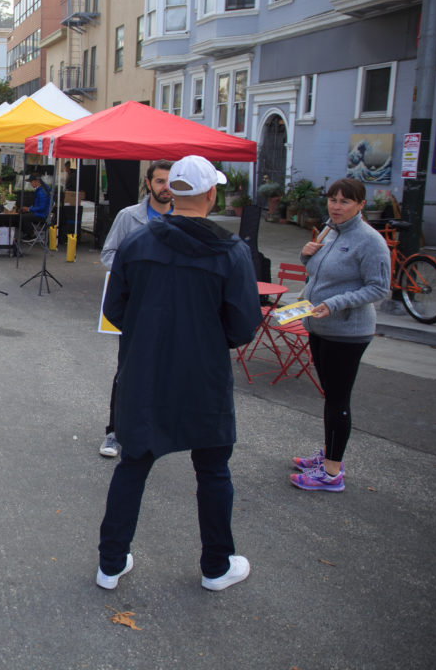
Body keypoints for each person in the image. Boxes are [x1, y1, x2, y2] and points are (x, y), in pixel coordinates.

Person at [97, 155, 261, 592]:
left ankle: (110, 564)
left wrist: (150, 331)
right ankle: (216, 565)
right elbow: (244, 325)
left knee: (133, 463)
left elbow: (115, 308)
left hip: (146, 371)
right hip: (202, 377)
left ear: (174, 192)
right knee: (212, 469)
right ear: (211, 194)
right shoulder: (232, 251)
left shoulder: (138, 243)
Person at [290, 178, 390, 492]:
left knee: (337, 399)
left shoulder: (369, 240)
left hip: (347, 332)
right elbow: (319, 271)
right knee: (331, 396)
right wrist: (306, 256)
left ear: (361, 205)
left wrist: (334, 304)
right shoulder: (330, 229)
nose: (336, 206)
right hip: (319, 326)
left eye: (345, 201)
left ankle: (332, 472)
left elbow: (379, 288)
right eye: (333, 199)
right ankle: (331, 454)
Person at [96, 160, 173, 458]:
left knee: (163, 370)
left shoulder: (182, 217)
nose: (165, 187)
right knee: (126, 371)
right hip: (136, 305)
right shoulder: (129, 217)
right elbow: (108, 254)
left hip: (170, 308)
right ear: (148, 184)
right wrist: (137, 272)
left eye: (170, 182)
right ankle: (114, 432)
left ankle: (151, 429)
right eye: (159, 181)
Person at [24, 175, 51, 240]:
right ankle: (29, 233)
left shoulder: (41, 191)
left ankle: (31, 235)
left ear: (36, 181)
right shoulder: (42, 189)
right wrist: (30, 208)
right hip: (41, 213)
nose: (30, 184)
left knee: (23, 218)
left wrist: (29, 209)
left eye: (31, 182)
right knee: (24, 216)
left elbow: (42, 207)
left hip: (42, 215)